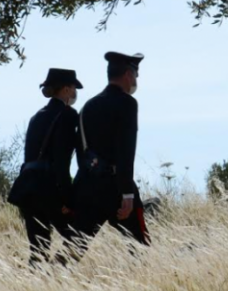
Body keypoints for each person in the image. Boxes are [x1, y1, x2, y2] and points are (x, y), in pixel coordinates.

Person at [70, 52, 150, 255]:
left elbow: (80, 151)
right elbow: (126, 149)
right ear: (127, 75)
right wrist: (127, 193)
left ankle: (46, 281)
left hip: (88, 186)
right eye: (135, 75)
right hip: (116, 186)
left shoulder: (88, 106)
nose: (136, 80)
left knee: (73, 248)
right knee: (140, 247)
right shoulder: (127, 103)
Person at [20, 68, 82, 267]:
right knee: (78, 235)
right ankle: (55, 275)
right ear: (65, 89)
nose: (75, 93)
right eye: (73, 88)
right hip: (50, 188)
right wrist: (68, 198)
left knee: (38, 249)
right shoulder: (68, 115)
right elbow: (61, 162)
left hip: (28, 186)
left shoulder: (36, 116)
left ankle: (34, 287)